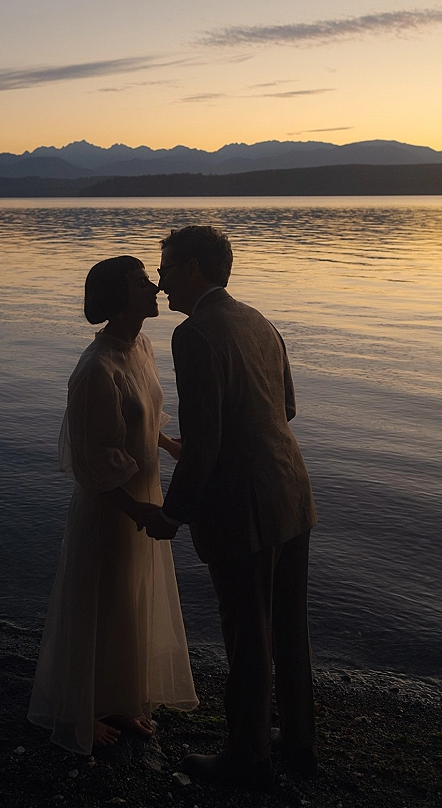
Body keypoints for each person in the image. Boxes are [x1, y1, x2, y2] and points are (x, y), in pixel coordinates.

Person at [143, 226, 318, 788]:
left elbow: (208, 443)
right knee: (289, 627)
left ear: (192, 270)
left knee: (246, 636)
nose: (160, 281)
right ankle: (298, 743)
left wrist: (171, 515)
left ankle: (247, 756)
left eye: (166, 269)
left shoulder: (194, 336)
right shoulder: (258, 320)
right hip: (292, 492)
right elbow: (284, 408)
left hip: (242, 508)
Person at [28, 256, 198, 755]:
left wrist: (167, 444)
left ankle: (118, 699)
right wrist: (138, 511)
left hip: (143, 493)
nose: (154, 288)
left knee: (129, 601)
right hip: (111, 509)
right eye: (142, 283)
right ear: (120, 300)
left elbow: (137, 415)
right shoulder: (95, 369)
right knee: (98, 602)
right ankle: (80, 713)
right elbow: (90, 462)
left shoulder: (140, 345)